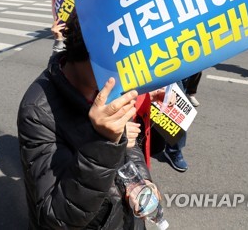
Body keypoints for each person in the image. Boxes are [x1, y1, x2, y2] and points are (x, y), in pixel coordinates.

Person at [18, 13, 165, 229]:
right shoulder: (38, 110)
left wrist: (142, 181)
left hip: (122, 217)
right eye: (116, 65)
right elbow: (56, 216)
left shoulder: (110, 84)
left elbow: (129, 143)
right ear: (87, 52)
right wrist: (104, 141)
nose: (124, 76)